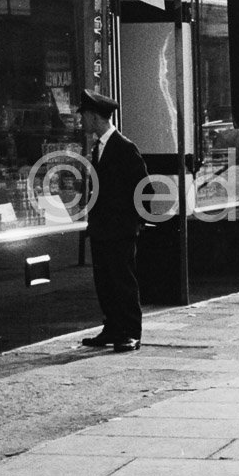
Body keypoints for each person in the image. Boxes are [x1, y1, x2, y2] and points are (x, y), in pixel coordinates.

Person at [78, 87, 147, 353]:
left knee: (122, 280)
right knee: (104, 280)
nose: (81, 121)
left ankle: (130, 332)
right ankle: (112, 327)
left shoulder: (125, 148)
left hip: (119, 229)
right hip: (102, 228)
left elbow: (145, 189)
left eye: (84, 115)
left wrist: (132, 223)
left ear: (95, 116)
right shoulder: (98, 148)